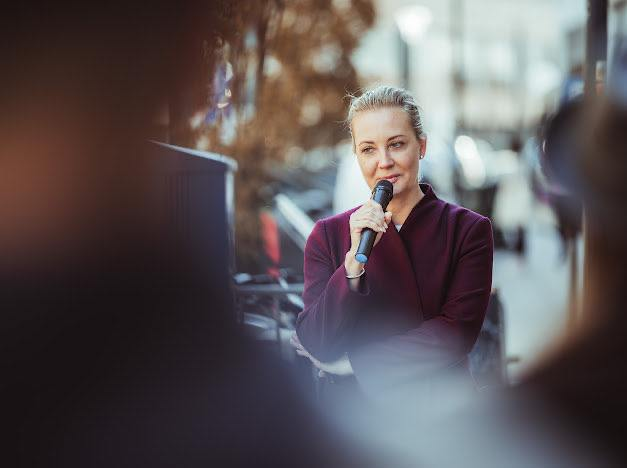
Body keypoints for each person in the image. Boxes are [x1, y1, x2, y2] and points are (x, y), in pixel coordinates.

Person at [292, 85, 494, 414]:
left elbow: (456, 334)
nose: (383, 162)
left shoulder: (467, 229)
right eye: (368, 149)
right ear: (356, 155)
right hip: (355, 423)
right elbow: (318, 340)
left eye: (396, 144)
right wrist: (352, 269)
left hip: (444, 416)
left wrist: (356, 361)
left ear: (422, 146)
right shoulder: (328, 235)